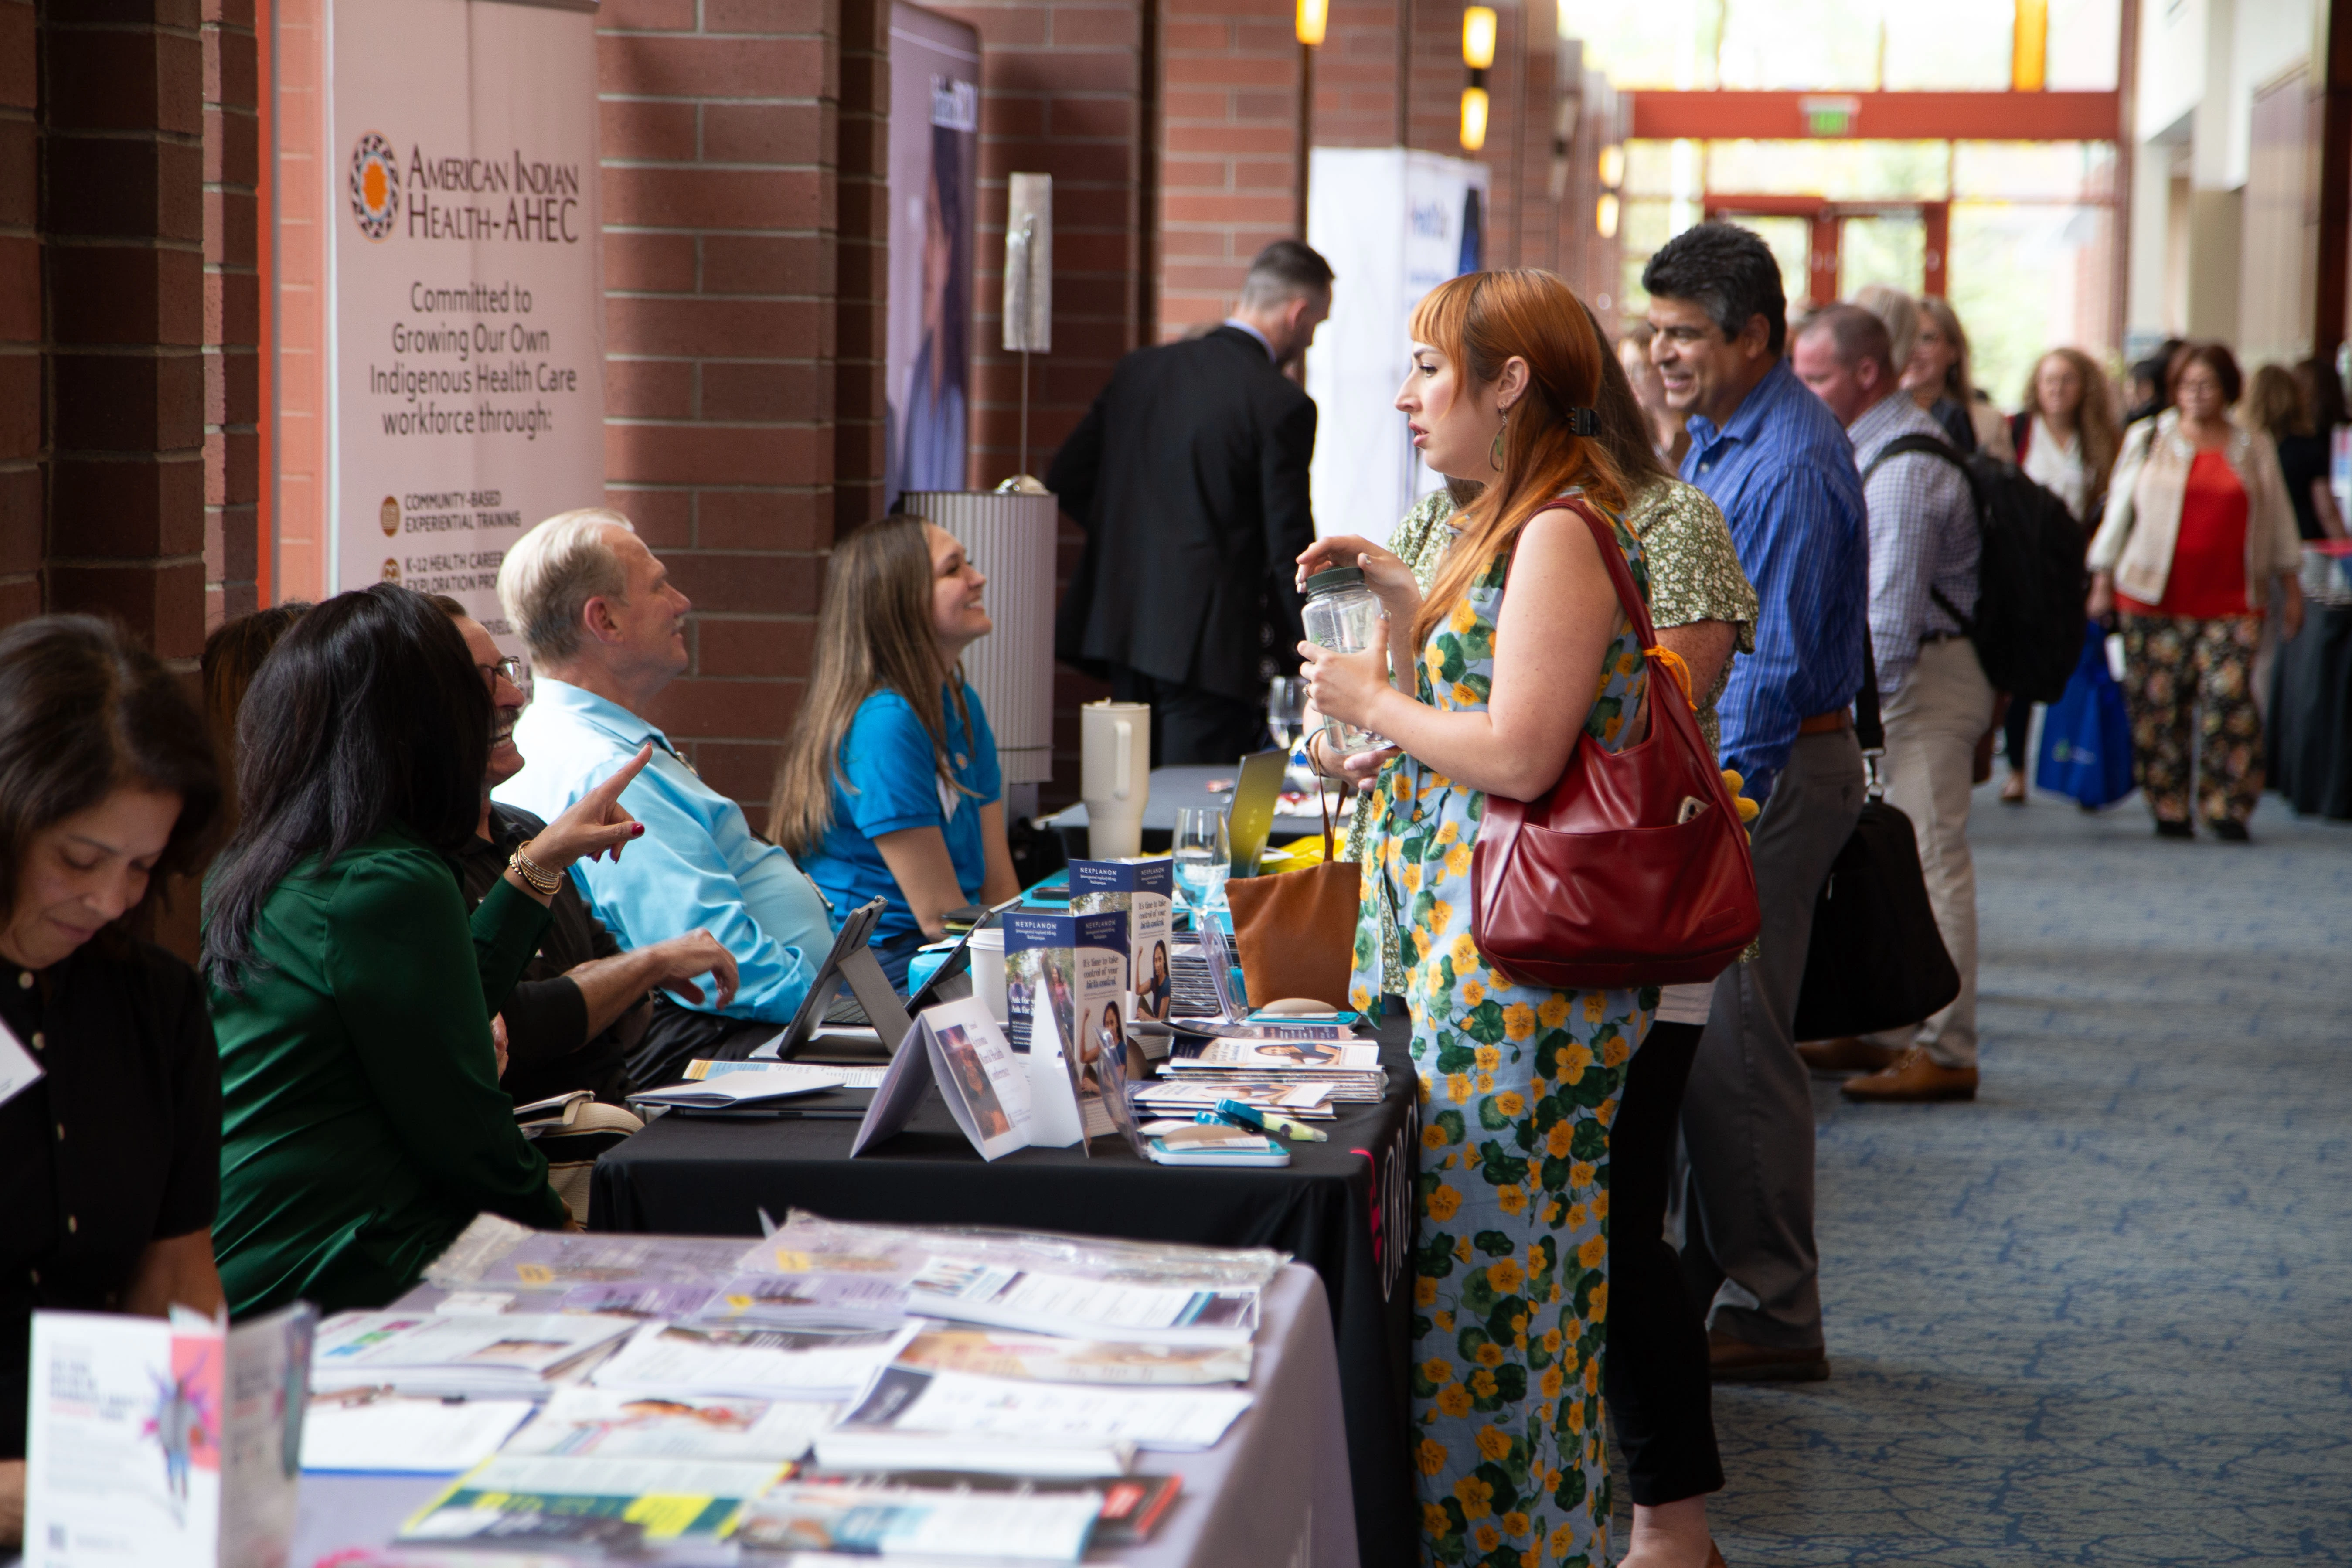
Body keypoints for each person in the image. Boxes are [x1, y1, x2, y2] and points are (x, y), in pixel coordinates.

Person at [1299, 268, 1659, 1568]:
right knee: (1479, 1306)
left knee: (1497, 1318)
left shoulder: (1559, 528)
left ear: (1509, 384)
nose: (1405, 395)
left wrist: (1370, 698)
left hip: (1514, 981)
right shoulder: (1498, 524)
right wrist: (1407, 614)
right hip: (1462, 964)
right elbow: (1478, 721)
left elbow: (1517, 751)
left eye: (1429, 367)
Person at [204, 585, 648, 1315]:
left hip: (257, 1260)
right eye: (470, 688)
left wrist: (537, 865)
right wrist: (564, 1239)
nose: (504, 701)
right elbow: (464, 1125)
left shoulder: (259, 859)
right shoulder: (388, 878)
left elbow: (439, 1006)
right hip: (347, 1266)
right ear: (422, 721)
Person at [1644, 221, 1869, 1382]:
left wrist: (1718, 812)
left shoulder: (1783, 460)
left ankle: (1780, 1310)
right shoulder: (1721, 437)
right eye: (1657, 330)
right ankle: (1716, 1279)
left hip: (1765, 775)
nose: (1663, 352)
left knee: (1736, 1040)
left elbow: (1766, 672)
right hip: (1742, 770)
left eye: (1687, 334)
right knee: (1711, 1034)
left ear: (1756, 337)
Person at [0, 616, 224, 1549]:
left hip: (102, 1502)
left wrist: (196, 1451)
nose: (108, 901)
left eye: (141, 868)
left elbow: (175, 1271)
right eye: (78, 860)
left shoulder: (153, 1003)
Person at [493, 510, 836, 1087]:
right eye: (658, 587)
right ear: (603, 619)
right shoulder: (604, 767)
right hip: (725, 1037)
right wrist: (840, 1004)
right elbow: (718, 963)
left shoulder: (584, 739)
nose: (682, 602)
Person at [1791, 305, 1993, 1103]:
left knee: (1932, 862)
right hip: (1903, 683)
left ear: (1867, 373)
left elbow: (1890, 625)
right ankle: (1887, 1029)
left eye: (1816, 378)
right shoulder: (1872, 447)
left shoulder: (1905, 466)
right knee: (1899, 859)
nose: (1803, 391)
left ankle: (1948, 1047)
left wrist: (1850, 722)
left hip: (1924, 684)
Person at [430, 597, 738, 1105]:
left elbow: (630, 1018)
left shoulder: (526, 830)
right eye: (480, 682)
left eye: (505, 671)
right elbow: (516, 1029)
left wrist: (597, 987)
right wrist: (646, 966)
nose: (513, 696)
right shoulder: (416, 864)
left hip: (621, 1114)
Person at [1051, 240, 1334, 765]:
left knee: (1124, 795)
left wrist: (1135, 540)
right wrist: (1316, 648)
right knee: (1197, 797)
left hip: (1124, 624)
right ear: (1297, 314)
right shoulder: (1279, 402)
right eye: (1315, 325)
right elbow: (1288, 546)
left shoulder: (1140, 371)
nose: (1310, 340)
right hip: (1211, 643)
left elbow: (1066, 476)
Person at [772, 516, 1020, 988]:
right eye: (953, 569)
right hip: (876, 967)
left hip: (949, 945)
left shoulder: (959, 701)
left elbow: (1000, 887)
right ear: (902, 601)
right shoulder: (885, 723)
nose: (979, 578)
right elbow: (940, 917)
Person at [2090, 343, 2306, 840]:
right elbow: (2118, 512)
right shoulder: (2148, 438)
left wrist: (2290, 586)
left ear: (2227, 389)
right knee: (2158, 708)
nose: (2196, 394)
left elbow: (2278, 519)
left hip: (2233, 599)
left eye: (2207, 385)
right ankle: (2168, 803)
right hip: (2151, 596)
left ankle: (2226, 805)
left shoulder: (2253, 445)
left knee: (2229, 700)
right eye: (2187, 385)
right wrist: (2101, 578)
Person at [1997, 349, 2122, 803]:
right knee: (2020, 669)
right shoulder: (2017, 431)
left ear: (2083, 386)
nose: (2056, 388)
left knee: (2076, 664)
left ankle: (2082, 763)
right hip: (2024, 567)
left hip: (2078, 568)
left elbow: (2111, 507)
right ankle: (2016, 767)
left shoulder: (2101, 440)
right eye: (2048, 379)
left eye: (2067, 379)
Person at [1902, 296, 2013, 461]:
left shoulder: (1987, 423)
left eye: (1926, 339)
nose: (1913, 351)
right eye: (1907, 339)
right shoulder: (1881, 417)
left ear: (1953, 351)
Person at [2249, 363, 2347, 544]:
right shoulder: (2308, 446)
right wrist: (2345, 546)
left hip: (2258, 540)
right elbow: (2326, 510)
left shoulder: (2246, 449)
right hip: (2305, 541)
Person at [1617, 318, 1690, 466]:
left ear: (1662, 368)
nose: (1630, 381)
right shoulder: (1639, 431)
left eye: (1638, 369)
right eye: (1625, 371)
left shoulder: (1694, 430)